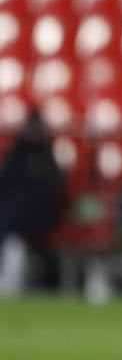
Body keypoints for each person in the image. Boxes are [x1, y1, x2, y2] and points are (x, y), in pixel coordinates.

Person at [0, 107, 64, 296]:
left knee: (7, 220)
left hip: (39, 213)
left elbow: (54, 190)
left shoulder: (47, 156)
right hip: (13, 211)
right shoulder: (16, 154)